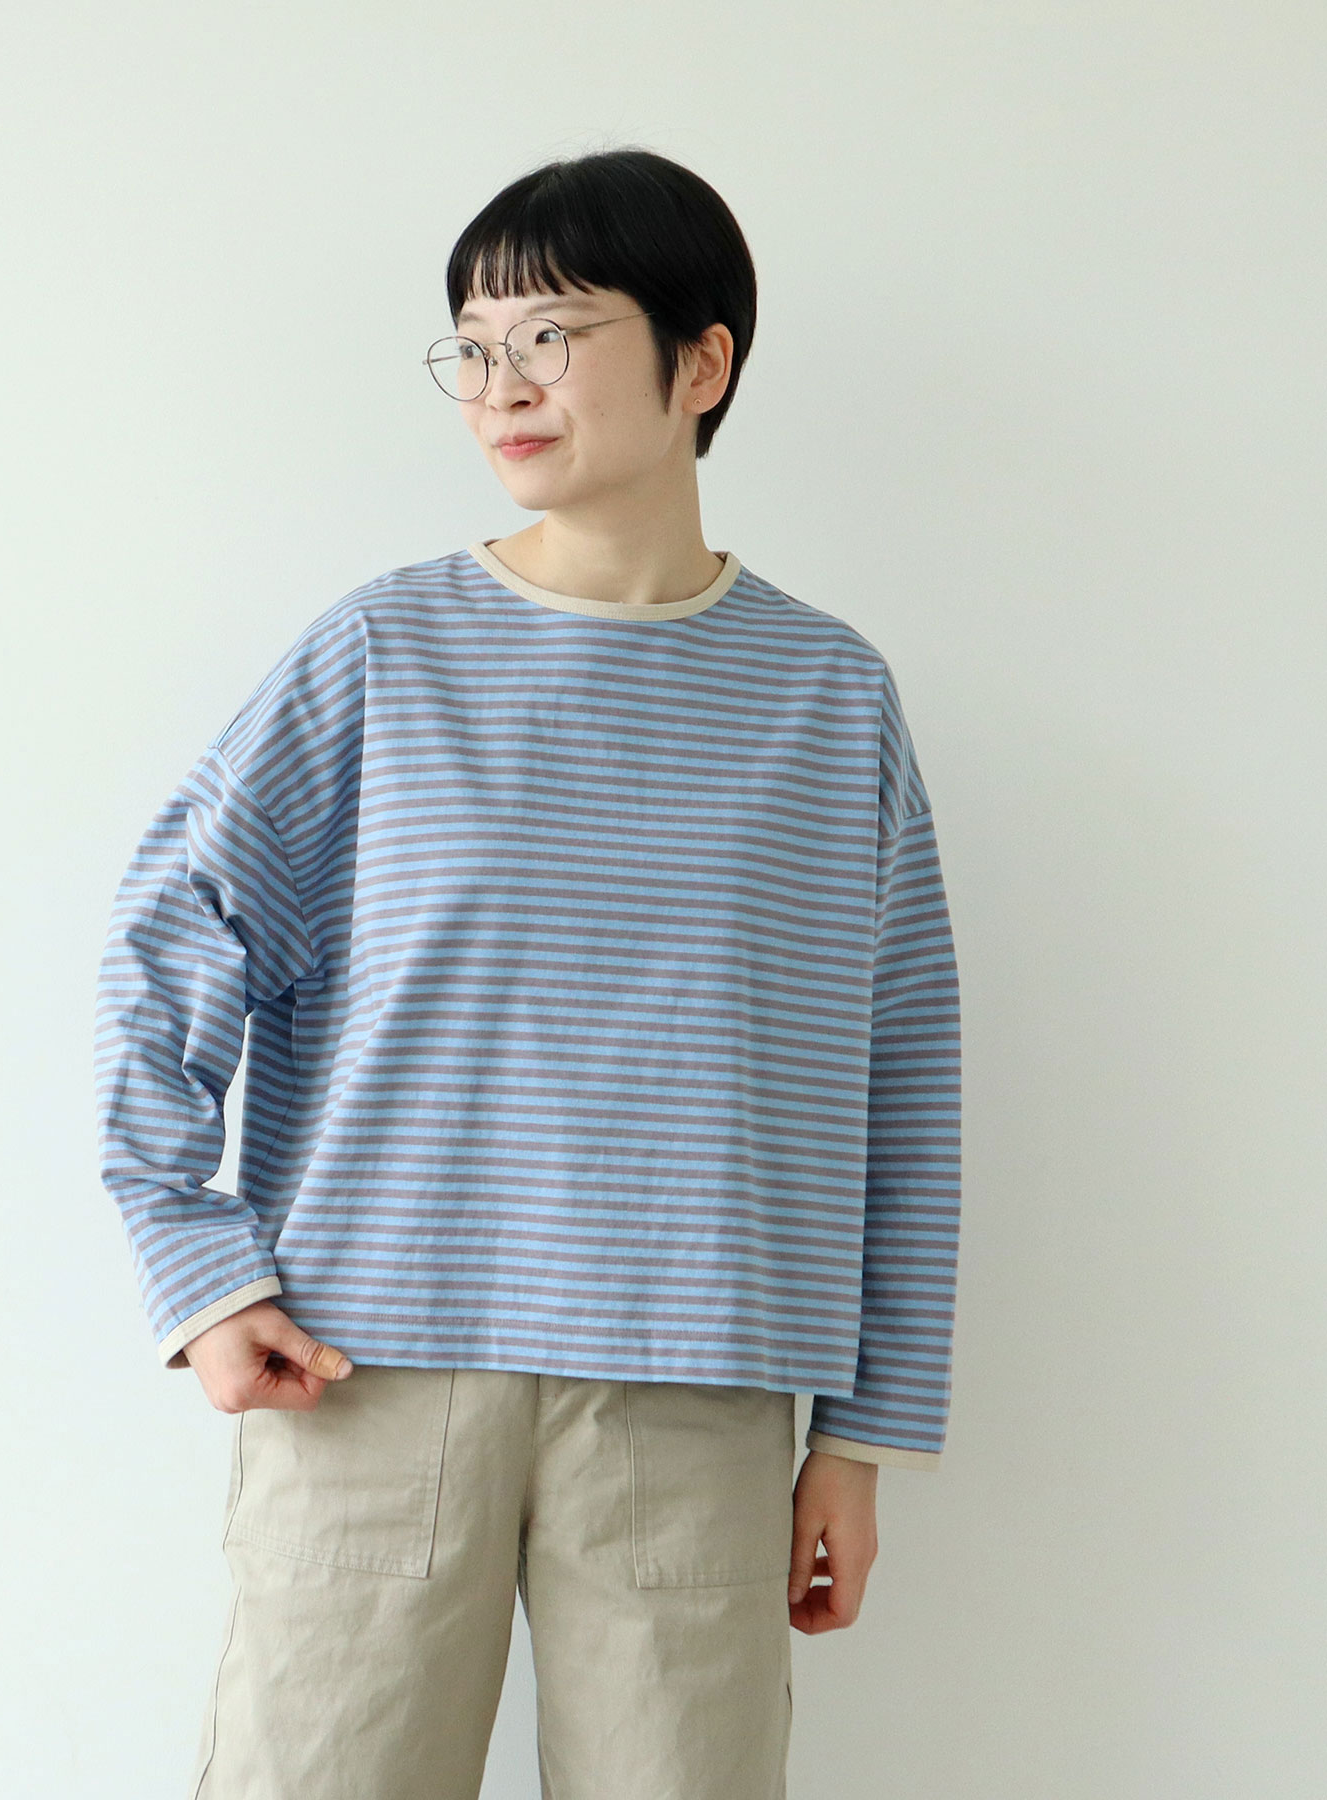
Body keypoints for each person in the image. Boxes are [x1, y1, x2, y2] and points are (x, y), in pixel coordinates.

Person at [93, 145, 961, 1800]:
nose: (500, 385)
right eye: (475, 346)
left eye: (551, 335)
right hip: (366, 1370)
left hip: (695, 1387)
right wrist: (195, 1269)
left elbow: (901, 1076)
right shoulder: (382, 652)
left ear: (701, 363)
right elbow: (171, 940)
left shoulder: (828, 697)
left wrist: (863, 1431)